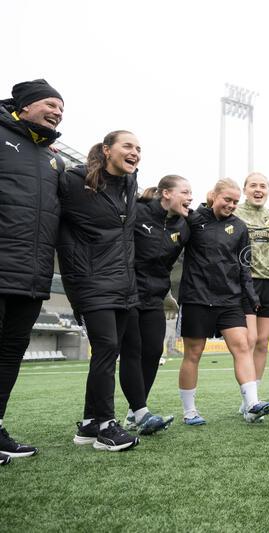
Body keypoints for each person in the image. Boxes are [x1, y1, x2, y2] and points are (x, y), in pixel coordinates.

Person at [61, 131, 141, 452]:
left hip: (123, 284)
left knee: (110, 351)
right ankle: (108, 426)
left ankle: (89, 423)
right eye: (128, 146)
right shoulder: (73, 181)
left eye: (138, 148)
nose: (135, 152)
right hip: (90, 281)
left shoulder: (130, 186)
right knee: (106, 348)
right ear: (107, 150)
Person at [0, 79, 64, 464]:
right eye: (50, 104)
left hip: (31, 274)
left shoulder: (52, 158)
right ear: (23, 107)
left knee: (9, 354)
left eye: (61, 108)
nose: (57, 111)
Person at [177, 178, 269, 425]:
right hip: (197, 297)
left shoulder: (239, 227)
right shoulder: (194, 219)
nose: (230, 205)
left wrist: (251, 297)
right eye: (226, 200)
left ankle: (252, 404)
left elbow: (244, 265)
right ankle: (189, 411)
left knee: (242, 346)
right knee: (194, 353)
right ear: (214, 196)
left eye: (234, 201)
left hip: (230, 299)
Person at [119, 175, 192, 433]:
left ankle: (133, 413)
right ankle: (141, 412)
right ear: (166, 194)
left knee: (152, 352)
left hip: (155, 297)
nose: (190, 197)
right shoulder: (136, 212)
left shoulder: (184, 226)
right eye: (185, 191)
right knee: (133, 350)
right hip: (126, 293)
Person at [235, 172, 269, 414]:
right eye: (253, 185)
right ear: (245, 189)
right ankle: (249, 399)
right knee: (250, 340)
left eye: (263, 186)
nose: (258, 189)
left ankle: (254, 396)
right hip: (246, 281)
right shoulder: (235, 213)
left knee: (263, 343)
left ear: (268, 190)